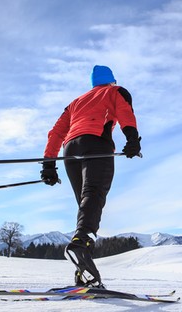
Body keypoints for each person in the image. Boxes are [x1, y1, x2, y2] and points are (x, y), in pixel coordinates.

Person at [41, 65, 141, 288]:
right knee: (93, 196)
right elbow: (125, 112)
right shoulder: (114, 92)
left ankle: (84, 273)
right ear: (112, 80)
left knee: (86, 207)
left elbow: (56, 132)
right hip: (96, 144)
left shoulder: (75, 102)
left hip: (70, 151)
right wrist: (132, 139)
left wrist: (49, 164)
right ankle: (81, 245)